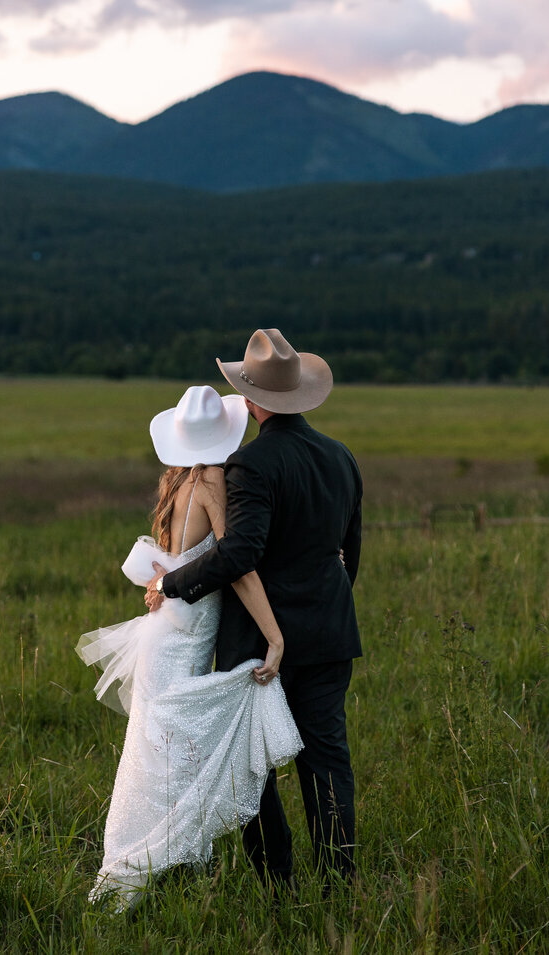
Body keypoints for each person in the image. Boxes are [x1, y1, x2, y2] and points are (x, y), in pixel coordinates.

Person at [149, 329, 363, 890]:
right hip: (330, 632)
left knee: (252, 769)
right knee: (327, 763)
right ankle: (340, 884)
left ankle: (279, 884)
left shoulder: (249, 465)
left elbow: (239, 553)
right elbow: (350, 555)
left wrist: (173, 585)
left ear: (249, 400)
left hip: (261, 643)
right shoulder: (343, 459)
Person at [75, 384, 302, 911]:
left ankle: (165, 864)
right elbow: (237, 564)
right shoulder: (213, 480)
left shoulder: (180, 481)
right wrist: (274, 635)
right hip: (183, 638)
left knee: (161, 755)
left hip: (171, 632)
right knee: (179, 754)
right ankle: (154, 861)